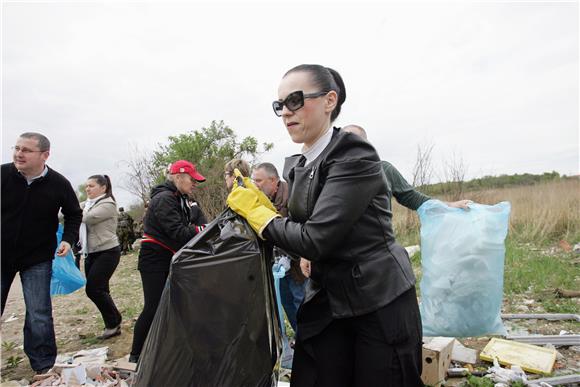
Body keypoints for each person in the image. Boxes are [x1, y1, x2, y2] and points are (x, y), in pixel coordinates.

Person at [227, 64, 423, 386]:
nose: (286, 113)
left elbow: (315, 239)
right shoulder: (300, 162)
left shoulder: (353, 154)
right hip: (329, 296)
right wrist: (265, 207)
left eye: (295, 100)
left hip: (375, 298)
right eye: (279, 106)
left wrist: (260, 216)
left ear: (330, 101)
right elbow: (304, 226)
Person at [1, 132, 82, 374]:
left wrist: (68, 239)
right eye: (16, 148)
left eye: (26, 150)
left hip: (37, 258)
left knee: (39, 313)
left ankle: (43, 365)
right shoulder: (2, 174)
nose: (18, 153)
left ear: (44, 155)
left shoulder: (58, 184)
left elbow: (74, 213)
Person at [129, 160, 206, 364]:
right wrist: (203, 230)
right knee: (153, 307)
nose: (194, 184)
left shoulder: (179, 198)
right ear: (179, 177)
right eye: (192, 179)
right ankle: (135, 355)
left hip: (167, 257)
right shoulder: (164, 198)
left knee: (176, 305)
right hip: (154, 258)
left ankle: (169, 348)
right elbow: (178, 232)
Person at [251, 162, 306, 333]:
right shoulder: (260, 201)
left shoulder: (293, 196)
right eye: (253, 180)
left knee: (302, 304)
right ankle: (300, 340)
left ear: (273, 180)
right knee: (287, 304)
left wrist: (290, 257)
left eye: (259, 180)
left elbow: (303, 231)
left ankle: (310, 345)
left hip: (298, 265)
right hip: (276, 266)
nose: (255, 185)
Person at [80, 175, 123, 340]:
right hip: (90, 252)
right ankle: (112, 325)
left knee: (93, 289)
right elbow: (70, 210)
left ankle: (114, 320)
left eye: (91, 186)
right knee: (101, 289)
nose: (87, 189)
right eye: (86, 186)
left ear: (103, 187)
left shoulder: (108, 204)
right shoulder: (88, 204)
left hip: (107, 251)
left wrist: (72, 210)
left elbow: (87, 218)